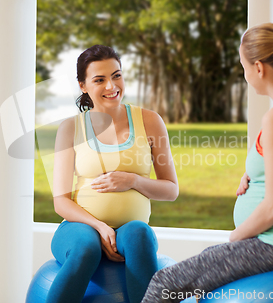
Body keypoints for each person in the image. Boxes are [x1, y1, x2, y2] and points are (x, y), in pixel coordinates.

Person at [141, 23, 273, 303]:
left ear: (258, 68)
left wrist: (235, 238)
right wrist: (254, 174)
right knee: (205, 268)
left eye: (243, 67)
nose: (244, 75)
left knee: (165, 283)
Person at [47, 44, 179, 303]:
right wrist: (99, 227)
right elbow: (60, 200)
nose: (111, 86)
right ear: (83, 85)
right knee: (87, 248)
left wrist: (133, 180)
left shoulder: (150, 121)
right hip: (80, 227)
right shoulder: (70, 128)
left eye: (116, 75)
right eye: (99, 80)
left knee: (139, 235)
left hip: (131, 226)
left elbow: (171, 189)